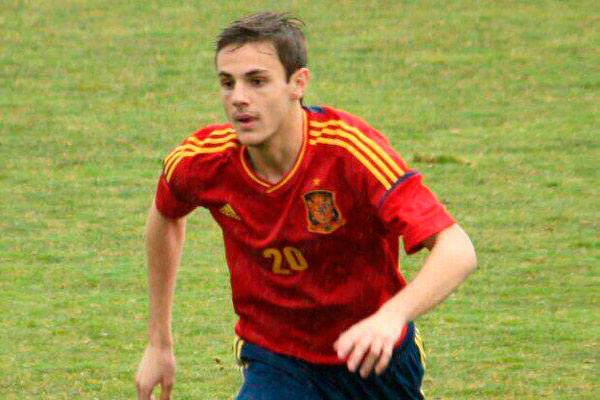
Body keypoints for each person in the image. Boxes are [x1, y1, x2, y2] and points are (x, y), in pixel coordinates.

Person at [135, 12, 477, 400]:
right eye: (227, 83)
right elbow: (165, 214)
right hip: (276, 359)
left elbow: (457, 248)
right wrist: (159, 343)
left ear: (298, 83)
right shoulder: (202, 161)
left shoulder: (349, 152)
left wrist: (390, 317)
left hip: (373, 357)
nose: (238, 98)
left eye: (257, 81)